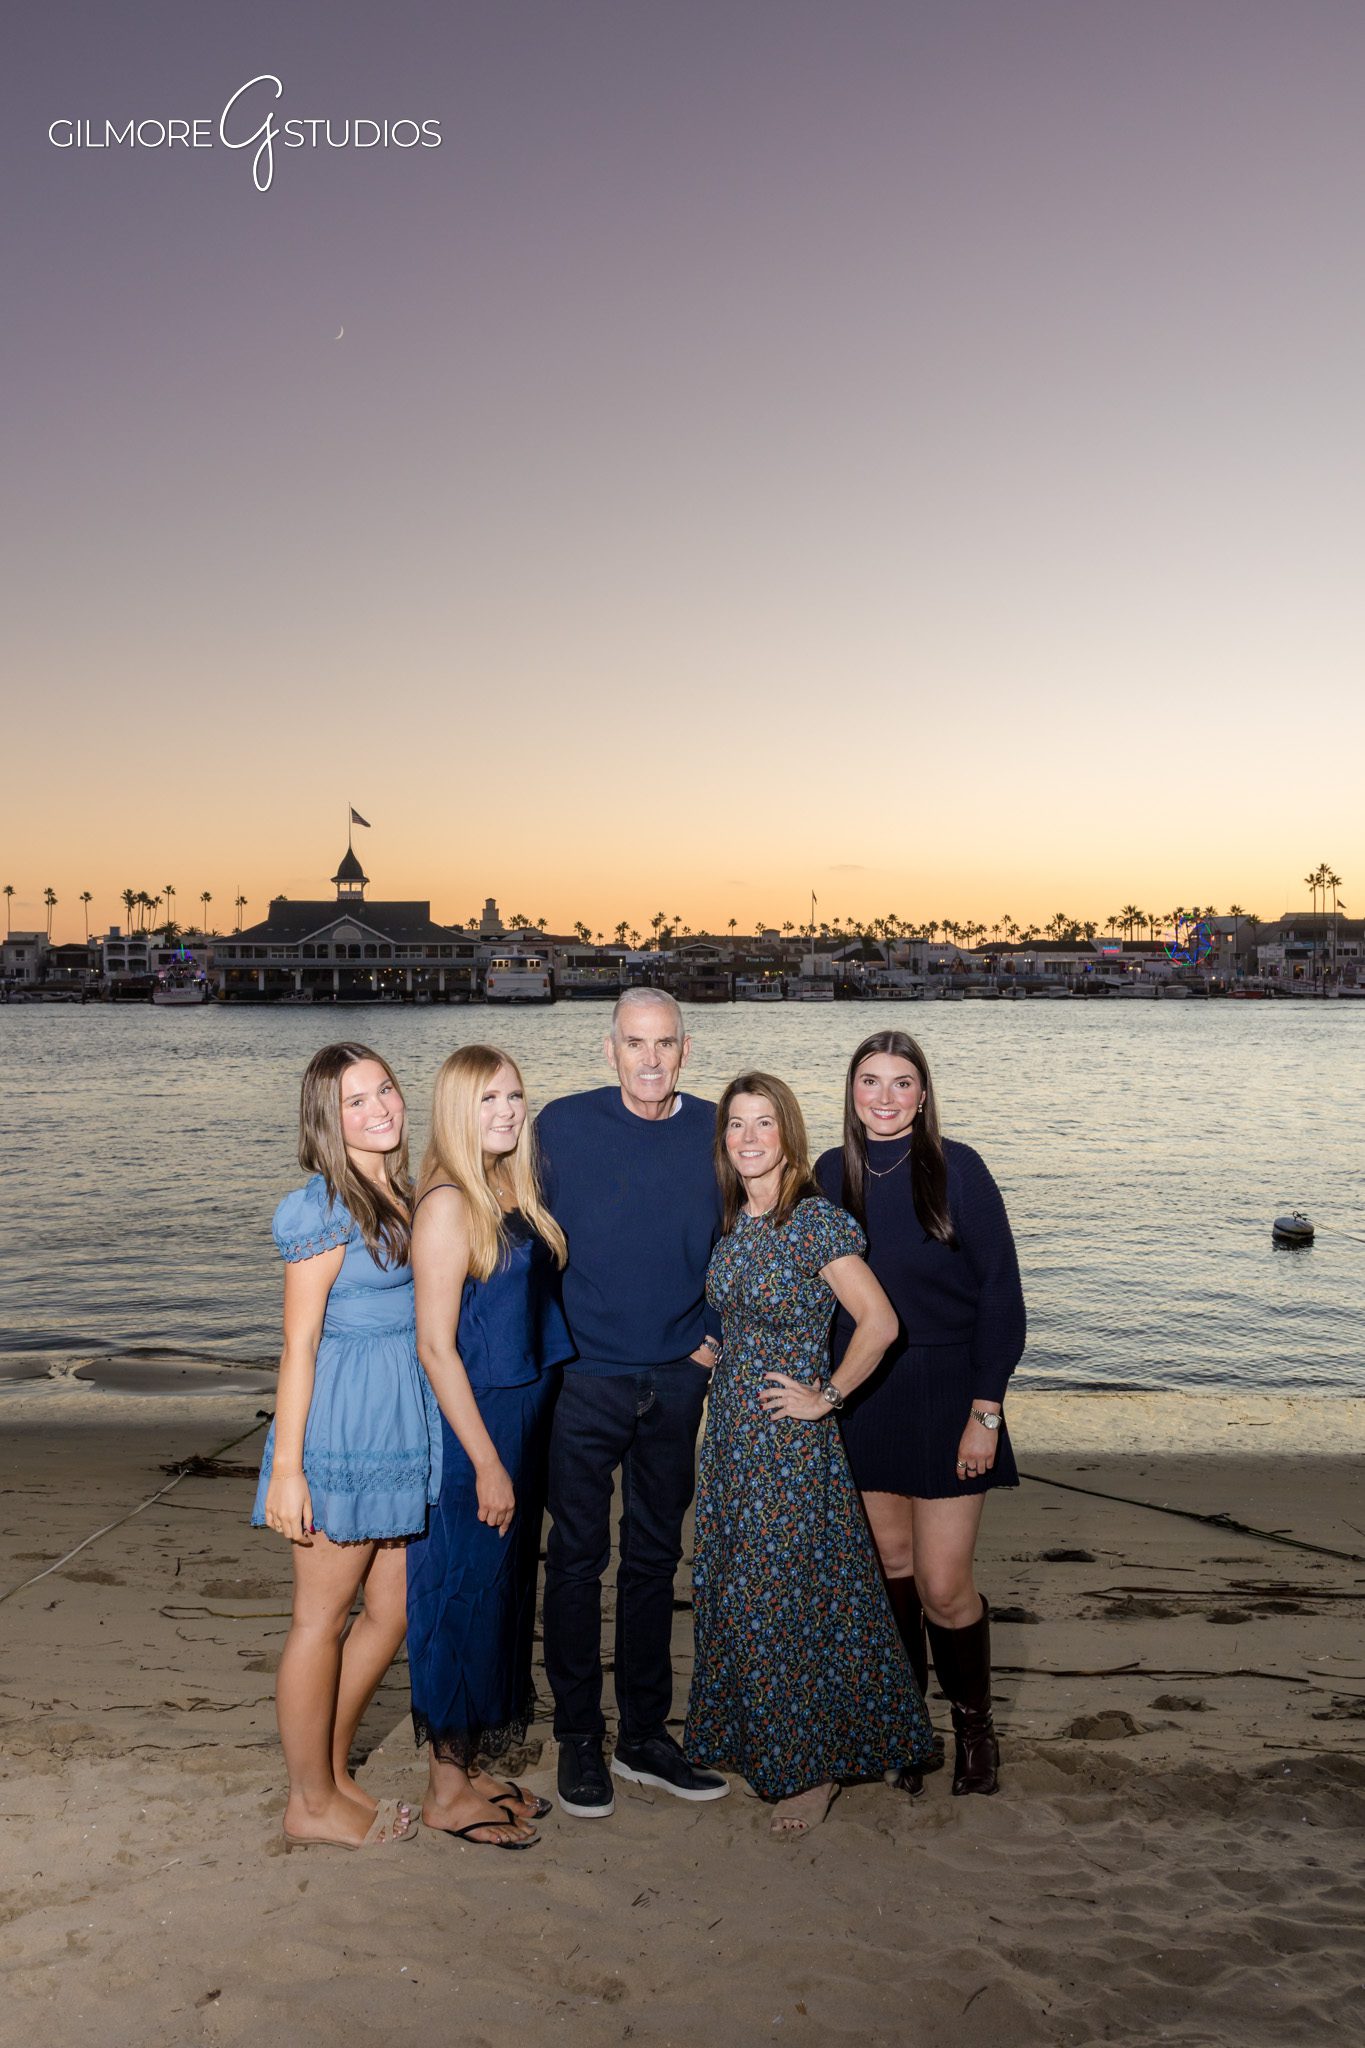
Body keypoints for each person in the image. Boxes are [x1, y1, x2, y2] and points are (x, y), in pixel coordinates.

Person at [683, 1072, 937, 1837]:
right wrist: (713, 1350)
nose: (749, 1138)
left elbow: (879, 1321)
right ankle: (756, 1739)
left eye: (764, 1123)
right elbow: (747, 1314)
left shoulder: (812, 1221)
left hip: (788, 1443)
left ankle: (811, 1771)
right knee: (738, 1590)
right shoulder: (738, 1221)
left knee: (783, 1599)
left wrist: (826, 1396)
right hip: (731, 1436)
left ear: (787, 1136)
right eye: (736, 1124)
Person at [814, 1030, 1026, 1798]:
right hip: (864, 1395)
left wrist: (986, 1411)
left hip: (947, 1395)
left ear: (923, 1095)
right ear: (851, 1091)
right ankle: (907, 1729)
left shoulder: (957, 1168)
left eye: (901, 1083)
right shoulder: (829, 1173)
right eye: (869, 1081)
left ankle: (974, 1729)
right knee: (889, 1575)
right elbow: (807, 1290)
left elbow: (1001, 1298)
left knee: (942, 1584)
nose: (883, 1096)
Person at [536, 988, 729, 1819]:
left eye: (664, 1044)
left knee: (654, 1560)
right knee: (576, 1560)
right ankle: (579, 1735)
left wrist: (716, 1331)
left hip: (677, 1378)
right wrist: (547, 1347)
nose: (649, 1060)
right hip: (584, 1380)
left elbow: (751, 1235)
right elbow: (517, 1236)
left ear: (686, 1048)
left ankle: (644, 1734)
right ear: (607, 1048)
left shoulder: (720, 1130)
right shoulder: (559, 1126)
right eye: (634, 1043)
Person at [253, 1042, 438, 1851]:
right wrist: (286, 1471)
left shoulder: (403, 1189)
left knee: (392, 1612)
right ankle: (308, 1801)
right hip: (343, 1430)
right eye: (355, 1102)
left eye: (385, 1090)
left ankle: (330, 1772)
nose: (379, 1109)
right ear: (326, 1122)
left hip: (405, 1421)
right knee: (319, 1620)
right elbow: (298, 1346)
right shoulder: (322, 1208)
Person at [404, 1046, 574, 1850]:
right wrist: (486, 1463)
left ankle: (466, 1768)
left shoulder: (508, 1184)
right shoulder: (445, 1204)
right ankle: (444, 1791)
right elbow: (435, 1347)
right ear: (453, 1111)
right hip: (474, 1430)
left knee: (502, 1593)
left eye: (513, 1094)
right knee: (460, 1598)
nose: (506, 1111)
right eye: (486, 1100)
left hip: (520, 1415)